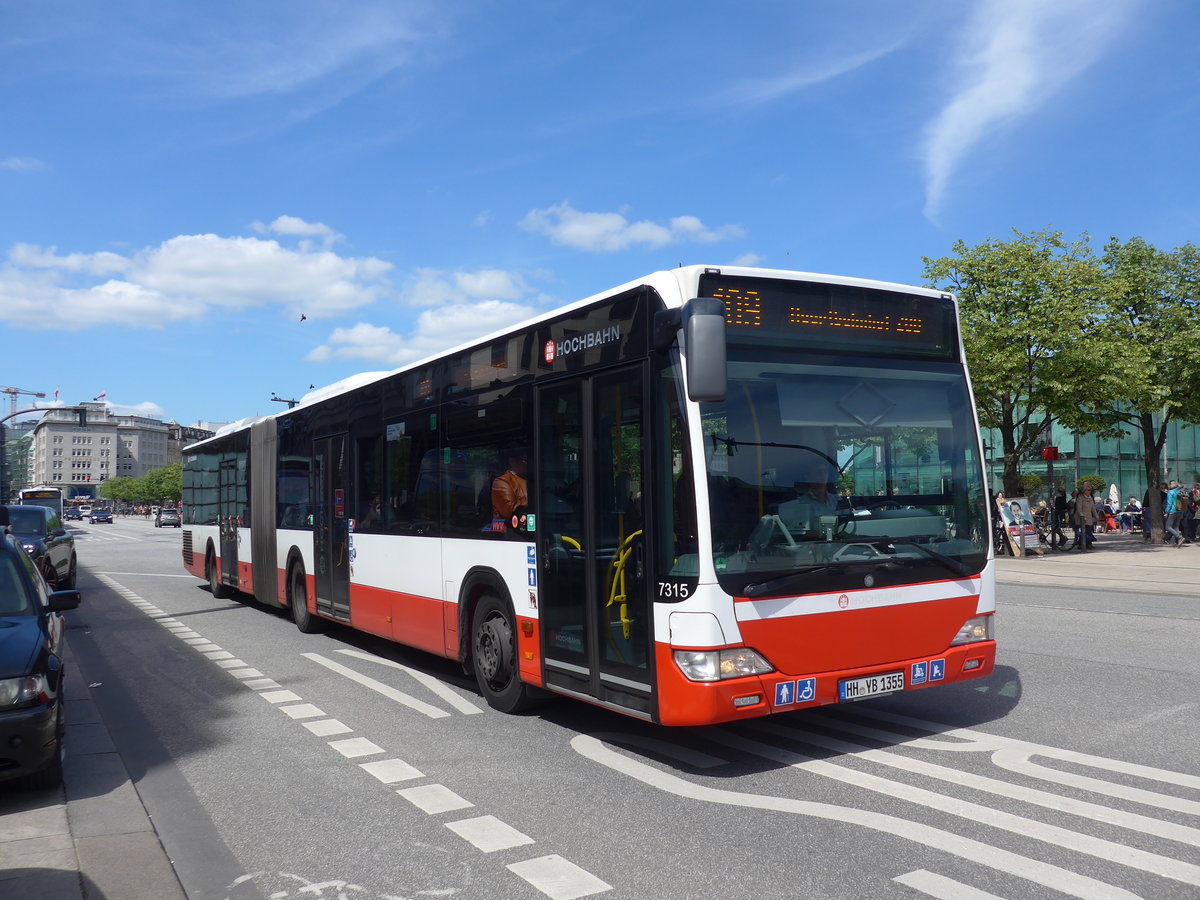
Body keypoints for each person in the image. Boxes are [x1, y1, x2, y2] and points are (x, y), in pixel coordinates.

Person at [778, 457, 843, 533]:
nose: (822, 475)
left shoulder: (838, 501)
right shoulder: (799, 504)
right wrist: (806, 534)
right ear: (808, 477)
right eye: (818, 472)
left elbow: (846, 523)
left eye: (824, 472)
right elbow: (792, 533)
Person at [491, 446, 529, 527]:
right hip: (510, 534)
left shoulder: (533, 479)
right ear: (512, 461)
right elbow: (510, 512)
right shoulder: (502, 482)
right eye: (525, 460)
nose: (529, 463)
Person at [1072, 483, 1099, 551]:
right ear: (1084, 491)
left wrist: (1096, 516)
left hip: (1089, 518)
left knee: (1088, 531)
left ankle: (1088, 544)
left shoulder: (1090, 499)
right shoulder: (1080, 498)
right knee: (1081, 533)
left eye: (1090, 490)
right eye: (1088, 490)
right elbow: (1079, 508)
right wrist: (1082, 516)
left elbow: (1093, 509)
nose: (1089, 491)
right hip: (1080, 519)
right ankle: (1082, 545)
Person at [1164, 480, 1188, 547]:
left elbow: (1169, 503)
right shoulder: (1180, 491)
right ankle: (1178, 541)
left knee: (1168, 526)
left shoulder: (1170, 492)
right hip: (1180, 510)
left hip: (1173, 511)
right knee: (1176, 526)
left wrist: (1166, 512)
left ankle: (1180, 537)